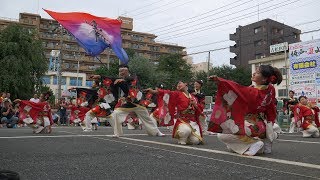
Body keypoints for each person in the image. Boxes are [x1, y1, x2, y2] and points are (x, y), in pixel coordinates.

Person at [208, 65, 282, 156]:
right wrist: (270, 125)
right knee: (231, 147)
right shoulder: (270, 89)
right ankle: (264, 141)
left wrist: (220, 80)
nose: (254, 73)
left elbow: (235, 88)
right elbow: (270, 108)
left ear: (264, 79)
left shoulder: (252, 91)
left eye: (257, 72)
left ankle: (254, 143)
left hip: (250, 125)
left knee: (222, 135)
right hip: (262, 125)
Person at [95, 64, 164, 137]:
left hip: (139, 101)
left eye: (122, 71)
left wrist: (123, 79)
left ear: (127, 70)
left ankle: (156, 132)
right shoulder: (119, 80)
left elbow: (130, 79)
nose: (121, 73)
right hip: (129, 102)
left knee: (147, 118)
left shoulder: (133, 76)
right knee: (116, 113)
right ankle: (117, 133)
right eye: (119, 71)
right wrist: (100, 77)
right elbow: (111, 78)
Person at [147, 80, 203, 145]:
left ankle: (188, 136)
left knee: (195, 141)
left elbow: (200, 110)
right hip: (183, 120)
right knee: (185, 131)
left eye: (179, 83)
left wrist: (195, 105)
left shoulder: (194, 98)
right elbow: (167, 92)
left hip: (193, 122)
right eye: (177, 85)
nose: (178, 85)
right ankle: (182, 138)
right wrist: (154, 91)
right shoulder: (177, 94)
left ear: (185, 84)